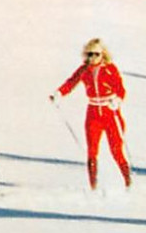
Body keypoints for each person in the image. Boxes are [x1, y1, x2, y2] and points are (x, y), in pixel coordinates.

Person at [49, 38, 131, 190]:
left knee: (116, 149)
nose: (93, 58)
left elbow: (120, 88)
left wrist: (117, 100)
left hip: (109, 112)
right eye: (89, 54)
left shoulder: (110, 69)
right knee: (92, 150)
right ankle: (93, 185)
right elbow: (71, 82)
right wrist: (59, 93)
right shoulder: (84, 70)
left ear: (102, 54)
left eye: (96, 54)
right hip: (93, 113)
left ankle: (128, 180)